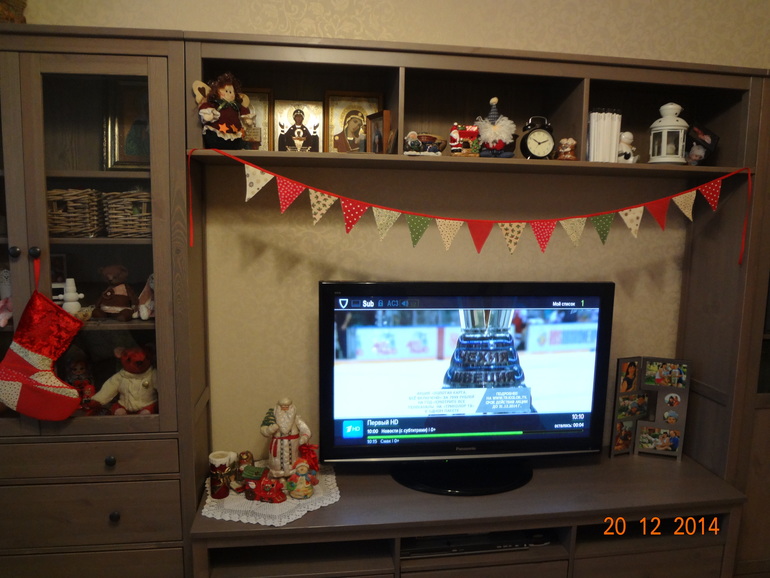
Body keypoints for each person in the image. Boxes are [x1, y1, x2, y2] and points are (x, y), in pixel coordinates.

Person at [260, 398, 312, 478]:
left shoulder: (296, 418)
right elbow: (264, 430)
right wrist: (270, 429)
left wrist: (304, 437)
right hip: (278, 445)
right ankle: (278, 475)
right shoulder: (272, 417)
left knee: (292, 460)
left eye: (287, 406)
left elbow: (305, 429)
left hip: (292, 445)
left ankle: (292, 475)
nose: (284, 408)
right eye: (282, 406)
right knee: (277, 462)